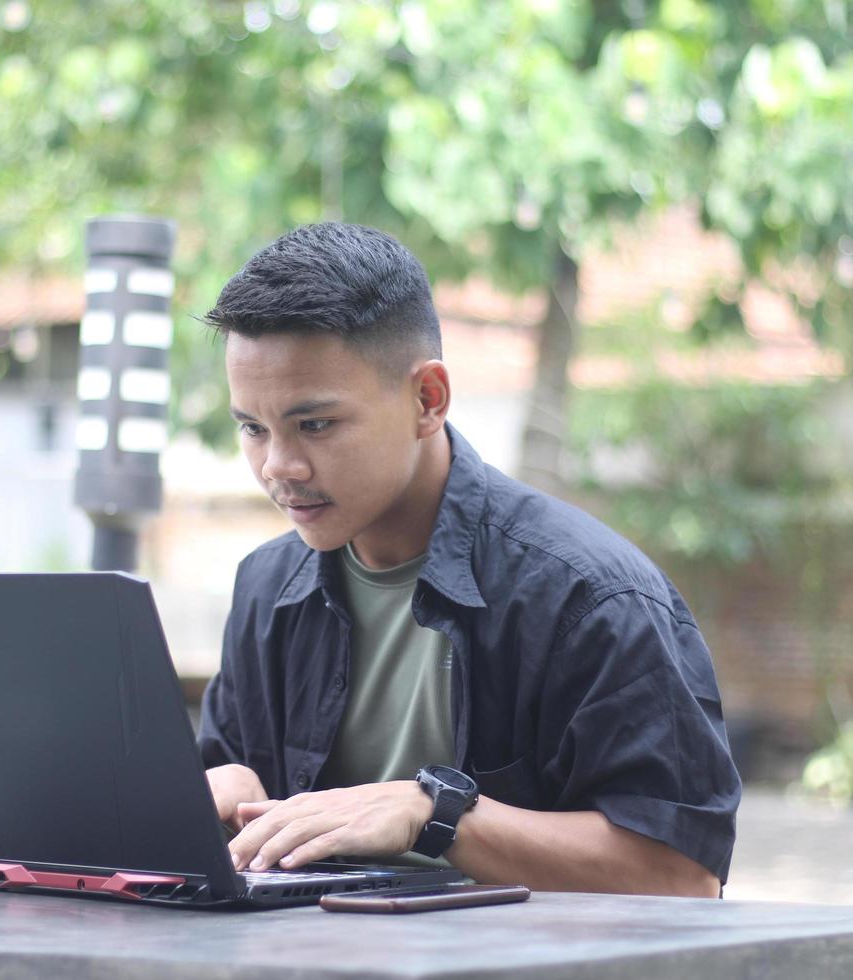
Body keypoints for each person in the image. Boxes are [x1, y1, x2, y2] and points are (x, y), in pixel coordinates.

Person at [197, 222, 739, 896]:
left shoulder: (590, 596)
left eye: (315, 424)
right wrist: (210, 800)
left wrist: (437, 815)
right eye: (252, 427)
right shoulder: (267, 585)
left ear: (428, 399)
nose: (279, 465)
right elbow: (227, 834)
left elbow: (683, 875)